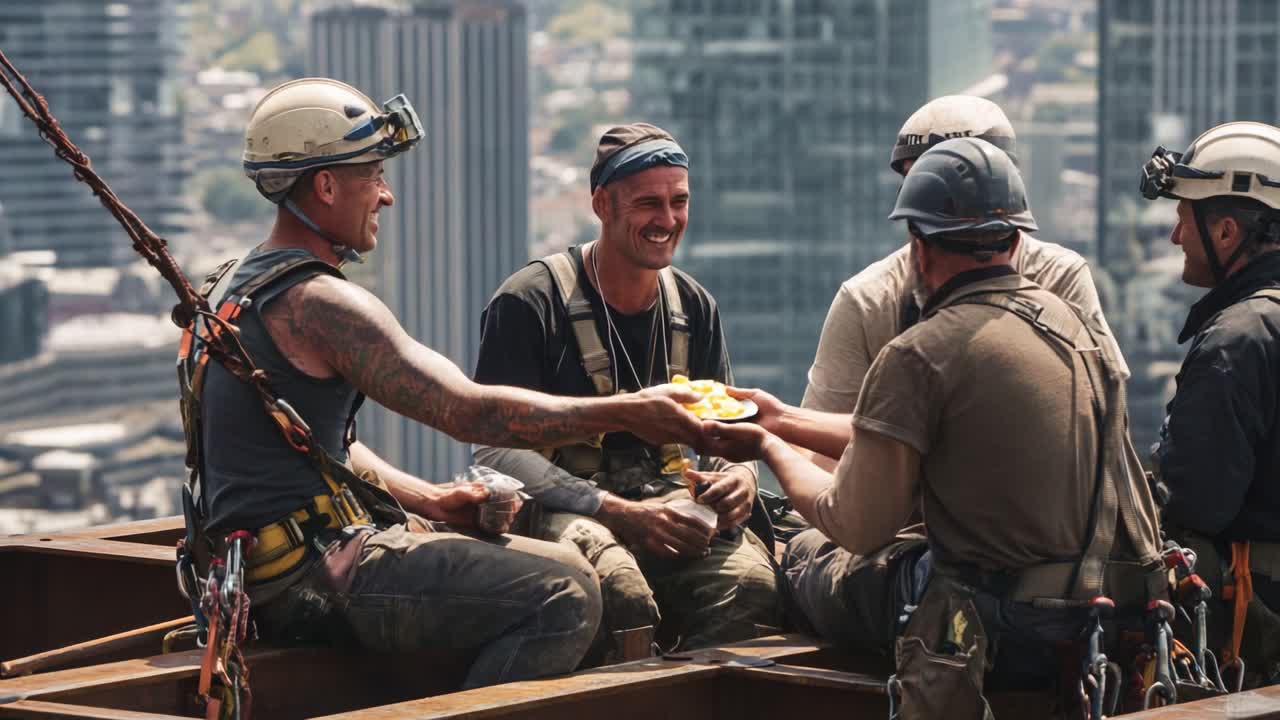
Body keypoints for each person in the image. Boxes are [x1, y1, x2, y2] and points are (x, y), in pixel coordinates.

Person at [182, 79, 707, 689]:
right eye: (373, 174)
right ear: (325, 186)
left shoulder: (228, 286)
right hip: (307, 578)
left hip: (259, 573)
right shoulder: (320, 304)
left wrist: (430, 501)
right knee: (565, 593)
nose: (386, 195)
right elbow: (468, 412)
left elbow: (319, 444)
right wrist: (626, 411)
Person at [701, 138, 1165, 716]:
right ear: (1017, 242)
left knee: (802, 553)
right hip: (1100, 613)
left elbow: (857, 524)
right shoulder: (1075, 329)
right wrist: (784, 419)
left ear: (919, 249)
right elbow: (931, 438)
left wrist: (768, 446)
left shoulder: (921, 353)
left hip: (996, 623)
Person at [472, 123, 779, 658]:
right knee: (619, 590)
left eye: (678, 201)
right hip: (560, 505)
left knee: (749, 585)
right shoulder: (530, 304)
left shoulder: (693, 308)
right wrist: (615, 511)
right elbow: (494, 447)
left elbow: (731, 430)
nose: (667, 220)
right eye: (647, 204)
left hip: (666, 502)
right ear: (602, 204)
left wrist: (738, 478)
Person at [802, 95, 1125, 445]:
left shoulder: (1059, 276)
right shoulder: (868, 300)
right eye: (927, 183)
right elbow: (816, 446)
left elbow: (1103, 410)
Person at [1144, 121, 1280, 683]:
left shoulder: (1238, 341)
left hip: (1259, 616)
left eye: (1184, 218)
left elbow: (1192, 505)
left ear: (1226, 232)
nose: (1177, 237)